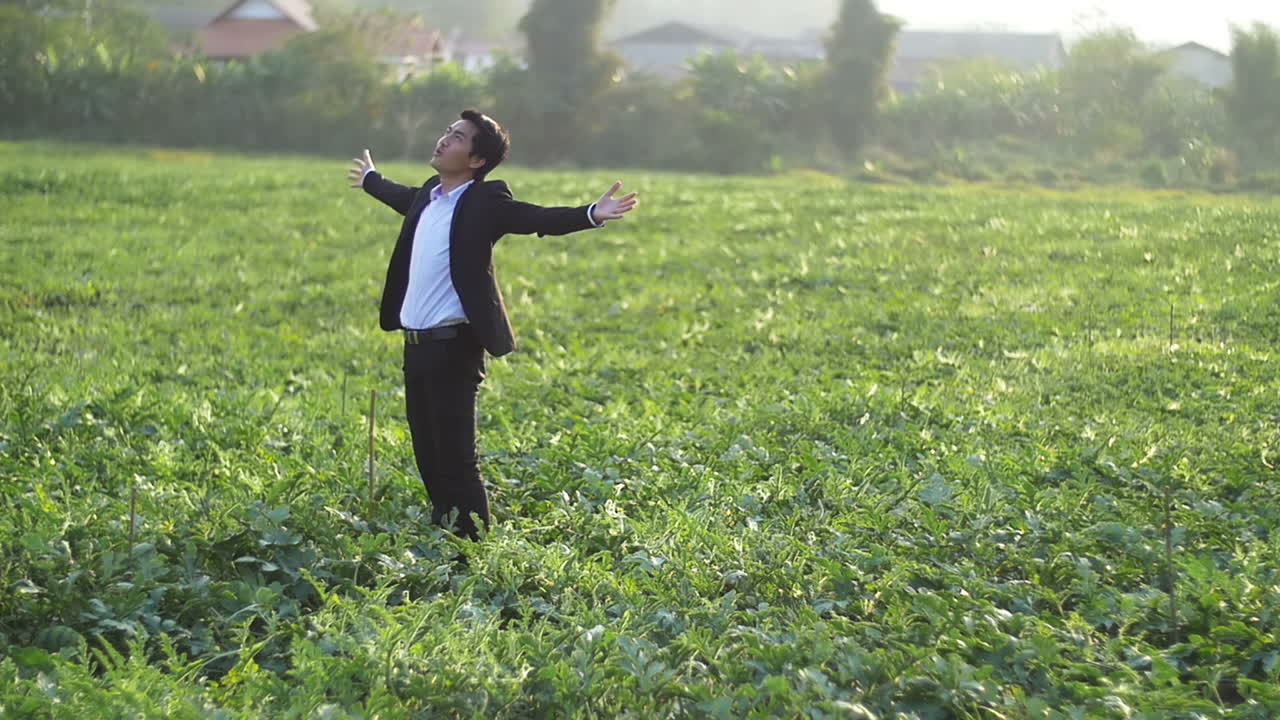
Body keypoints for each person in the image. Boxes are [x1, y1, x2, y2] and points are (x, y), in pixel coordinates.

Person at [347, 109, 638, 541]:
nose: (445, 140)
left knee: (456, 456)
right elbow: (400, 196)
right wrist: (372, 179)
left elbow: (536, 218)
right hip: (417, 345)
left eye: (458, 137)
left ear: (477, 160)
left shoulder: (484, 201)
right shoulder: (428, 195)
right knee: (426, 451)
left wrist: (592, 212)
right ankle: (445, 534)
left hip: (455, 346)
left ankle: (474, 549)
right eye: (447, 131)